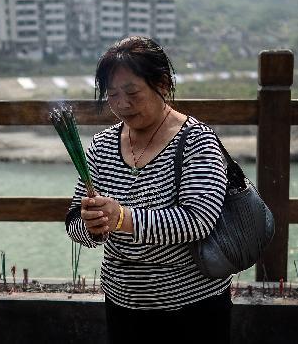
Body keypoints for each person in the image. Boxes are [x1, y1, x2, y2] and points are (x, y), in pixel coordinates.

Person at [64, 36, 233, 343]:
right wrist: (92, 225)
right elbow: (75, 223)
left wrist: (121, 219)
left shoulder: (197, 141)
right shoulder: (102, 146)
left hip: (192, 309)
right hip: (122, 306)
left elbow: (198, 221)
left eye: (132, 92)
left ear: (163, 84)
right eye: (112, 95)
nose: (122, 104)